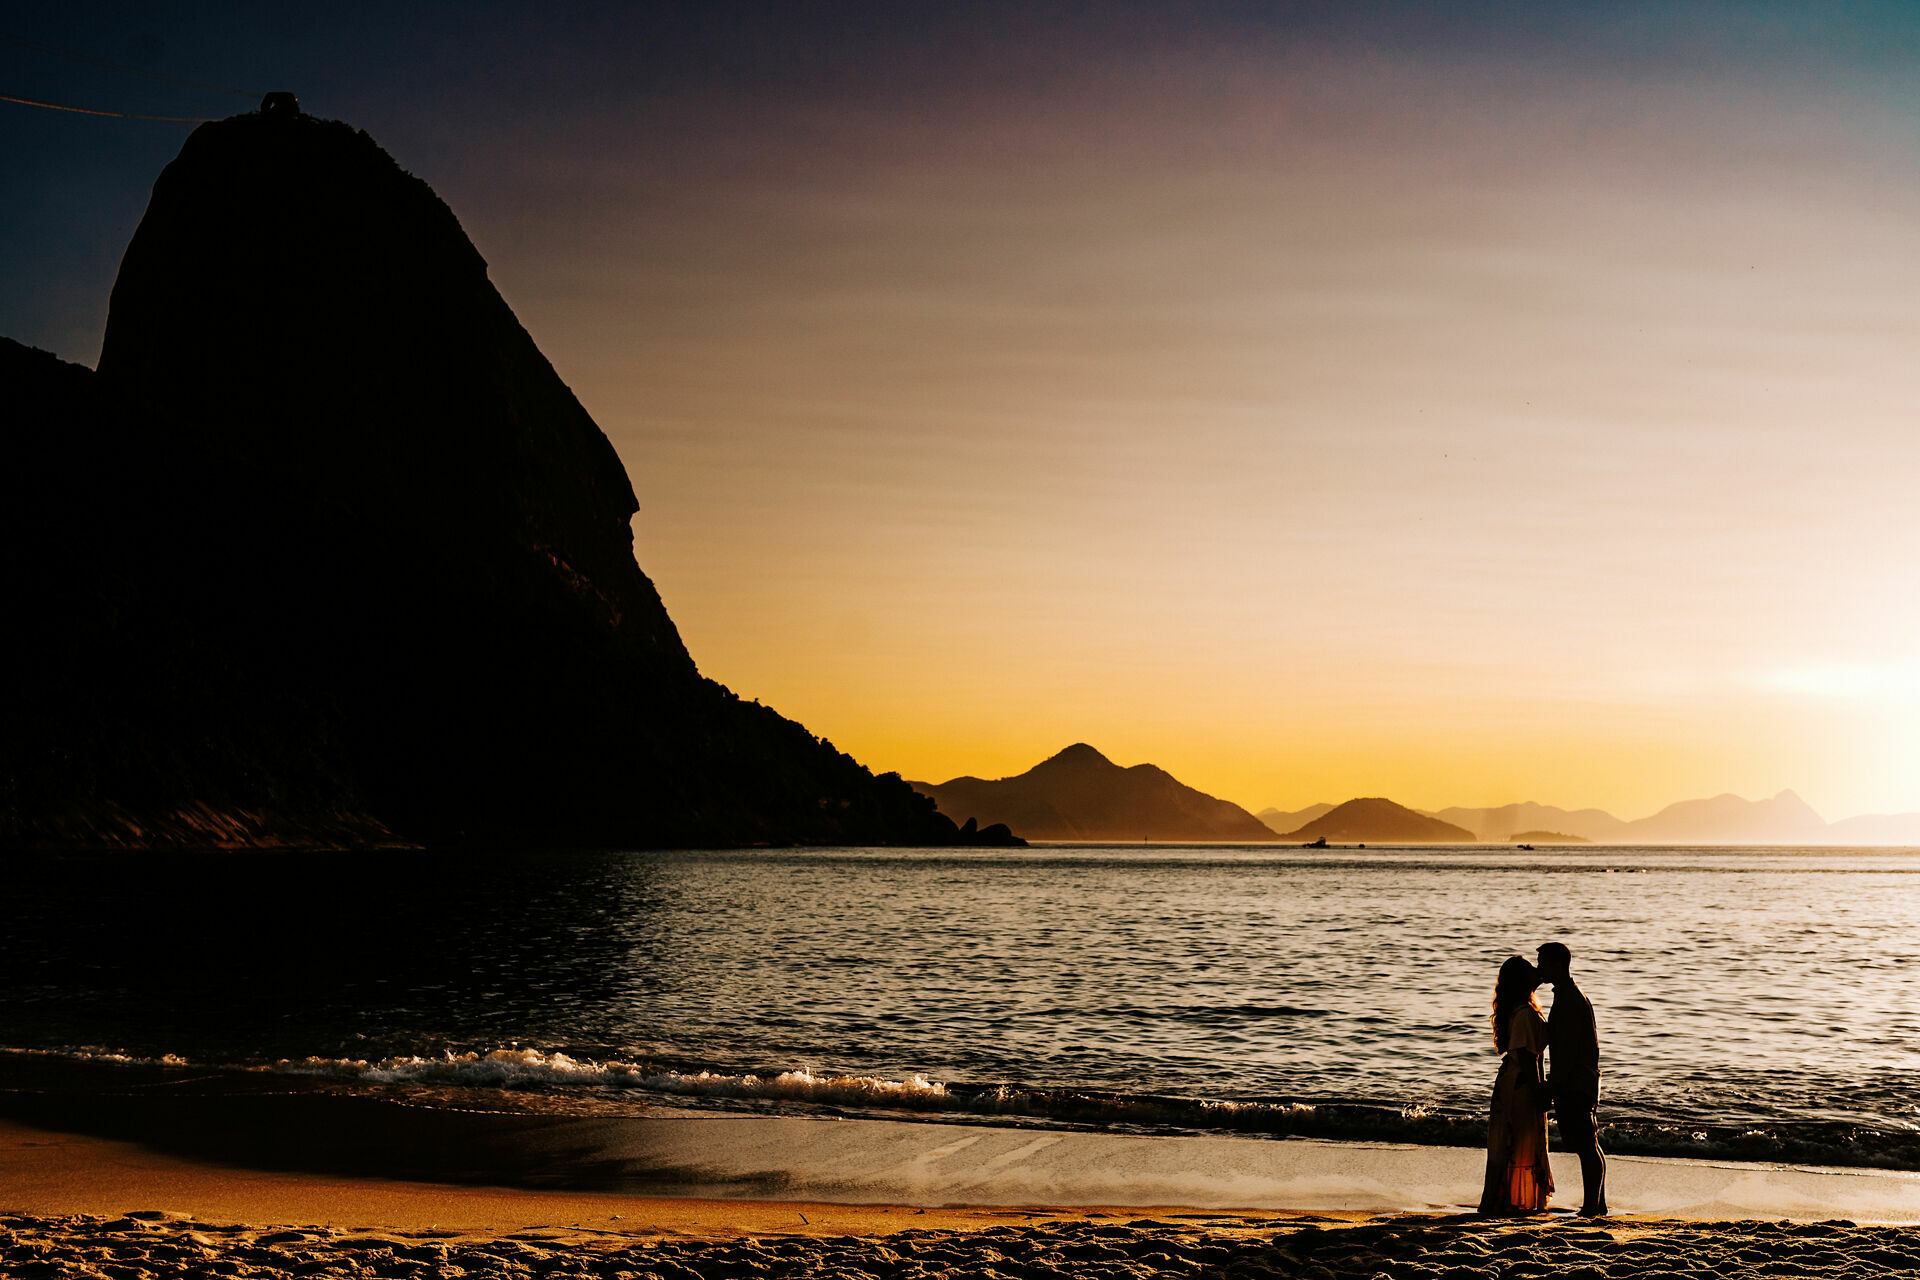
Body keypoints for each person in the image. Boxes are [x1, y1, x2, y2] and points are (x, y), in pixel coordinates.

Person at [1478, 955, 1554, 1214]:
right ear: (1523, 980)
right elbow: (1526, 1057)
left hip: (1514, 1081)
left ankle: (1503, 1201)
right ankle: (1502, 1203)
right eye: (1532, 969)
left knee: (1515, 1141)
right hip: (1520, 1085)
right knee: (1516, 1140)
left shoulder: (1523, 1008)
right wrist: (1539, 1091)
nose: (1537, 971)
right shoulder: (1523, 1013)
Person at [1537, 941, 1608, 1216]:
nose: (1539, 969)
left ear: (1556, 965)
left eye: (1543, 963)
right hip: (1583, 1079)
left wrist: (1552, 1087)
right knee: (1588, 1144)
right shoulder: (1571, 994)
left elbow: (1566, 1052)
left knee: (1585, 1145)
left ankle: (1592, 1205)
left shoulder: (1569, 999)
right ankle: (1596, 1203)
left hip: (1576, 1082)